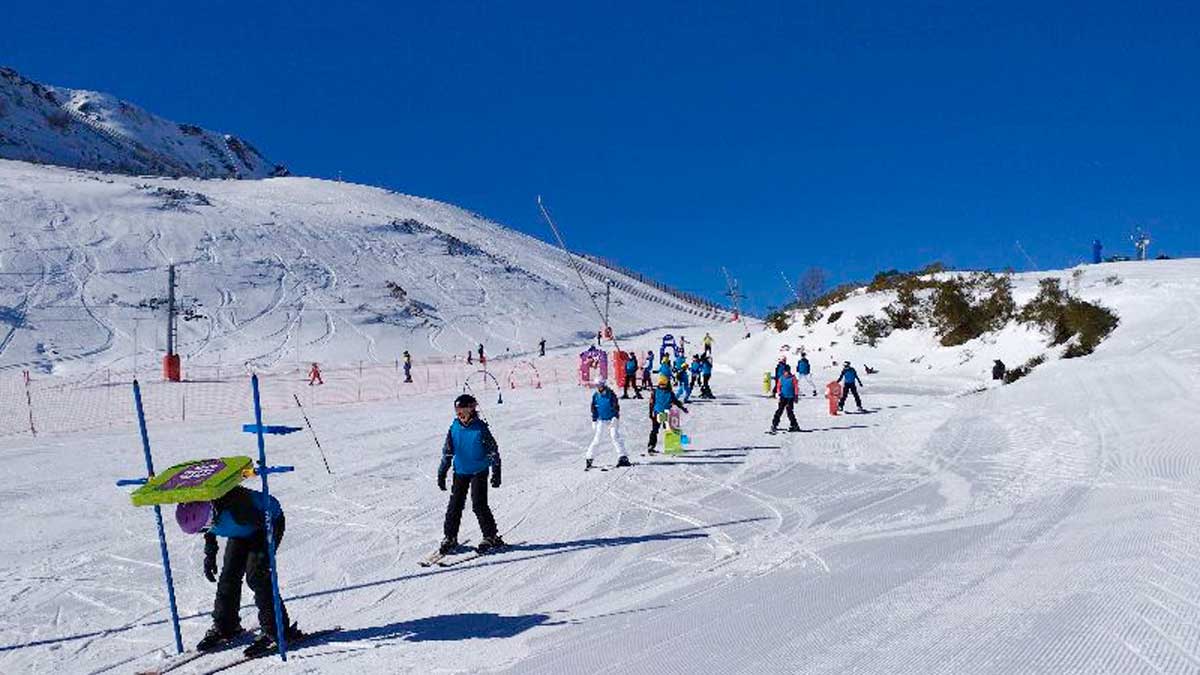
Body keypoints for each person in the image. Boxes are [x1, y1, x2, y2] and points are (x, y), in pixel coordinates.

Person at [177, 486, 302, 658]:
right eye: (201, 528)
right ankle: (226, 626)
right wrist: (210, 554)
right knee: (229, 576)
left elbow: (262, 529)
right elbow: (209, 531)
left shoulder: (237, 509)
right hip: (241, 528)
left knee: (257, 576)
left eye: (206, 524)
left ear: (211, 511)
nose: (206, 529)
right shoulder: (206, 513)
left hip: (265, 522)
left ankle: (277, 631)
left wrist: (259, 558)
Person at [437, 394, 504, 554]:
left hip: (479, 470)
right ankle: (450, 537)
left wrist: (496, 471)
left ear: (472, 409)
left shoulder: (480, 428)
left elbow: (493, 451)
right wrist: (442, 471)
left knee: (479, 504)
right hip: (460, 470)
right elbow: (447, 452)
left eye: (462, 410)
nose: (459, 414)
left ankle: (491, 536)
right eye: (457, 410)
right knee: (455, 504)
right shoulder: (454, 427)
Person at [587, 378, 630, 470]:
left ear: (603, 385)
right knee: (597, 439)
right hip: (601, 420)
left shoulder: (611, 394)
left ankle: (623, 457)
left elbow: (615, 406)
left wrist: (615, 417)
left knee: (614, 436)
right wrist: (594, 420)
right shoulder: (596, 396)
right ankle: (589, 457)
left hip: (611, 419)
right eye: (597, 385)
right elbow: (594, 408)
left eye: (599, 385)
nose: (598, 387)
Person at [647, 376, 688, 454]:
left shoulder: (669, 393)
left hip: (666, 413)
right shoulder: (655, 392)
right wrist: (650, 413)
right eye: (661, 384)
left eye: (663, 384)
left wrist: (683, 408)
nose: (662, 386)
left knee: (669, 430)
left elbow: (676, 401)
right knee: (655, 430)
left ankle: (671, 446)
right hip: (658, 413)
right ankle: (651, 446)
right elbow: (651, 403)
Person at [771, 364, 802, 432]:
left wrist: (796, 395)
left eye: (787, 371)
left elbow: (796, 387)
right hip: (783, 397)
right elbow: (779, 386)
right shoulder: (781, 378)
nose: (786, 373)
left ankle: (794, 425)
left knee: (789, 412)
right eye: (785, 371)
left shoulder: (793, 378)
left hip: (790, 397)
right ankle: (774, 424)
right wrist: (779, 392)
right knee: (779, 411)